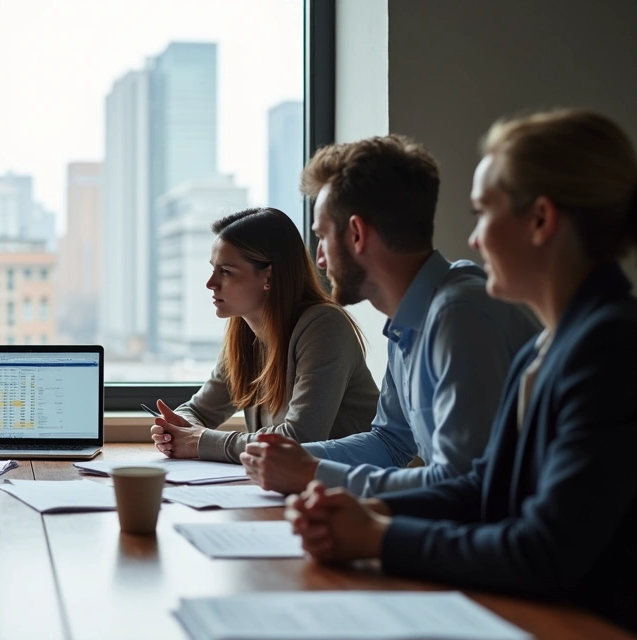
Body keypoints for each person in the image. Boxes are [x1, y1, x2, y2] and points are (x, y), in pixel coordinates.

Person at [286, 109, 637, 633]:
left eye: (482, 212)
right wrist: (371, 510)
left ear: (540, 220)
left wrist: (378, 537)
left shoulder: (608, 349)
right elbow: (481, 485)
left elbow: (542, 552)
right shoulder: (547, 345)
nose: (471, 240)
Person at [239, 135, 539, 496]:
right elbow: (391, 442)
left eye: (322, 237)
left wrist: (312, 474)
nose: (319, 259)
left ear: (356, 234)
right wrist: (292, 457)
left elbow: (462, 483)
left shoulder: (459, 317)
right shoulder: (409, 320)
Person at [150, 207, 378, 463]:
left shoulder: (324, 327)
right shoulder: (244, 334)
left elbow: (299, 440)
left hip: (352, 492)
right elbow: (195, 411)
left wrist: (199, 441)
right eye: (213, 269)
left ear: (268, 276)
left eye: (225, 271)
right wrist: (178, 432)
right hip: (292, 487)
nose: (210, 283)